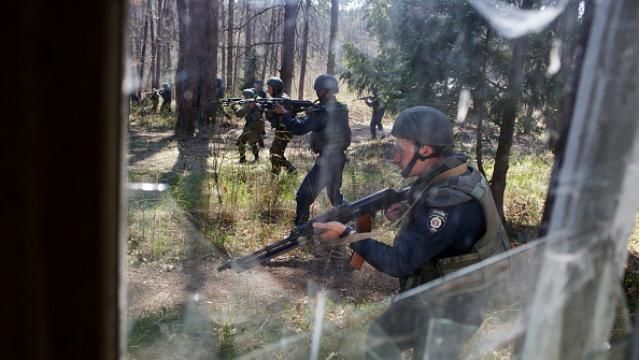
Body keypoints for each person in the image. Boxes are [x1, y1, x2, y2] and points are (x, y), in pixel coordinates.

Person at [312, 106, 509, 359]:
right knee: (381, 339)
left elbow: (400, 262)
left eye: (400, 149)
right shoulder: (453, 172)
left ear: (425, 149)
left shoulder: (450, 200)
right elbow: (442, 227)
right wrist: (409, 210)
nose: (395, 158)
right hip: (436, 292)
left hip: (457, 307)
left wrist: (346, 234)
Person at [274, 74, 351, 226]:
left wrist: (285, 114)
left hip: (327, 160)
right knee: (335, 197)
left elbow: (299, 128)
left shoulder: (321, 112)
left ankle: (301, 232)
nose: (317, 93)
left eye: (319, 90)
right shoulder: (339, 108)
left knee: (303, 196)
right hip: (338, 157)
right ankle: (357, 214)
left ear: (325, 91)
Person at [265, 77, 297, 175]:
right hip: (283, 130)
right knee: (277, 153)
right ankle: (284, 171)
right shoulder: (280, 97)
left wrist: (270, 111)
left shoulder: (281, 99)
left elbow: (286, 114)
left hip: (284, 131)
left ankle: (282, 171)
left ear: (275, 88)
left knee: (274, 153)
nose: (268, 90)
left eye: (269, 87)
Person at [233, 89, 262, 163]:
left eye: (244, 96)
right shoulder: (255, 102)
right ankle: (256, 158)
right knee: (253, 142)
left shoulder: (249, 103)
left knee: (241, 142)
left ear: (247, 96)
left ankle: (242, 159)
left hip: (252, 127)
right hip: (256, 126)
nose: (243, 98)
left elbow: (238, 114)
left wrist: (235, 106)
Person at [251, 80, 267, 148]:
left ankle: (261, 144)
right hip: (252, 111)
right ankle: (254, 143)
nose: (257, 85)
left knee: (259, 128)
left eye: (258, 84)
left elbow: (265, 102)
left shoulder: (262, 92)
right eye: (256, 84)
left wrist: (261, 108)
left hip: (259, 111)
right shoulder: (252, 91)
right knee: (253, 128)